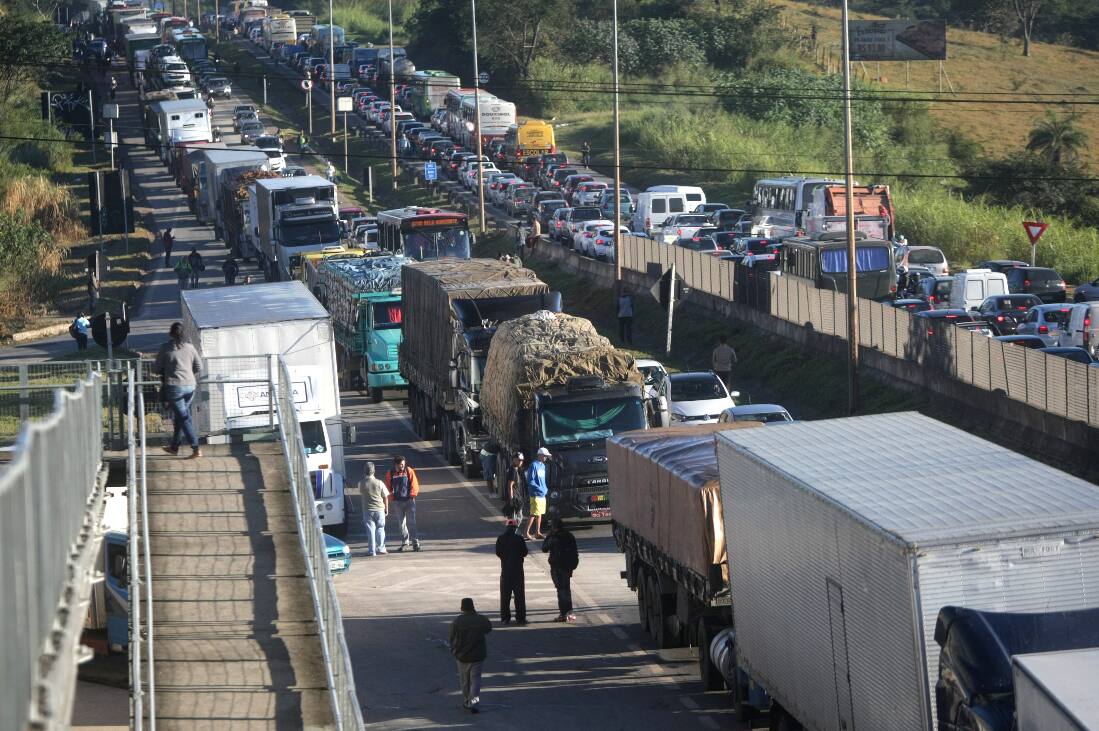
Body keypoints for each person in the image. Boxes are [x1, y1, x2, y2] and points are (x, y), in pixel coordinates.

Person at [154, 322, 203, 459]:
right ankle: (174, 447)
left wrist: (168, 369)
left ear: (170, 333)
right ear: (184, 334)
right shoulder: (190, 347)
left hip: (175, 388)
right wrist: (188, 373)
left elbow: (156, 369)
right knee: (181, 417)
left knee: (183, 418)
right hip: (190, 387)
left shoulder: (165, 348)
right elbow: (199, 367)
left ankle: (196, 448)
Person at [449, 598, 492, 714]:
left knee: (464, 681)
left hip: (462, 657)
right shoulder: (481, 619)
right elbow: (489, 628)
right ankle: (475, 703)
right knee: (476, 681)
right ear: (473, 607)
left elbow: (452, 638)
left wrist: (454, 651)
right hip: (478, 656)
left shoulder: (457, 621)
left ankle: (467, 701)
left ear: (462, 608)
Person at [541, 518, 580, 622]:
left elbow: (544, 548)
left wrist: (548, 536)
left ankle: (563, 614)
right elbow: (575, 552)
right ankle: (570, 612)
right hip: (567, 566)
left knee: (560, 590)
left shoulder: (554, 538)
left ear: (554, 527)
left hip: (557, 567)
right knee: (567, 589)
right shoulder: (569, 535)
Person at [495, 519, 528, 625]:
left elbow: (498, 553)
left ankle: (505, 618)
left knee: (505, 596)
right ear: (515, 528)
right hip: (518, 571)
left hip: (505, 571)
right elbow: (525, 552)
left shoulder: (500, 538)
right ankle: (520, 618)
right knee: (519, 596)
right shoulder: (519, 538)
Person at [385, 456, 421, 551]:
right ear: (396, 464)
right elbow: (388, 488)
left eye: (404, 464)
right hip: (398, 503)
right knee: (401, 524)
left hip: (409, 501)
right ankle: (405, 543)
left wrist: (412, 496)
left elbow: (415, 484)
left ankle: (415, 542)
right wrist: (393, 498)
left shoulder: (409, 471)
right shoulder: (390, 474)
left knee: (411, 522)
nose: (403, 466)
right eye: (401, 464)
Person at [359, 462, 389, 556]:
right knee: (380, 528)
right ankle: (381, 548)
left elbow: (361, 493)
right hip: (379, 509)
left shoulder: (361, 483)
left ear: (364, 471)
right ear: (374, 471)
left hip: (367, 509)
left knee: (370, 530)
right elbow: (385, 496)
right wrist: (386, 508)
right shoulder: (379, 483)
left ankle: (372, 551)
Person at [523, 447, 550, 540]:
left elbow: (543, 480)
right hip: (535, 494)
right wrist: (539, 488)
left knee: (540, 514)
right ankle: (526, 533)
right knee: (533, 514)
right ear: (540, 455)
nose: (546, 457)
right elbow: (530, 480)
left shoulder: (543, 466)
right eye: (545, 456)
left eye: (546, 456)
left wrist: (545, 488)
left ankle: (537, 532)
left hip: (542, 494)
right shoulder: (533, 465)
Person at [504, 452, 525, 522]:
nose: (520, 462)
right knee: (517, 517)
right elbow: (510, 486)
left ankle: (511, 531)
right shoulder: (513, 470)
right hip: (514, 498)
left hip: (517, 496)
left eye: (522, 460)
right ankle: (511, 531)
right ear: (514, 460)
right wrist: (511, 500)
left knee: (515, 517)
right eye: (518, 460)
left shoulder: (515, 469)